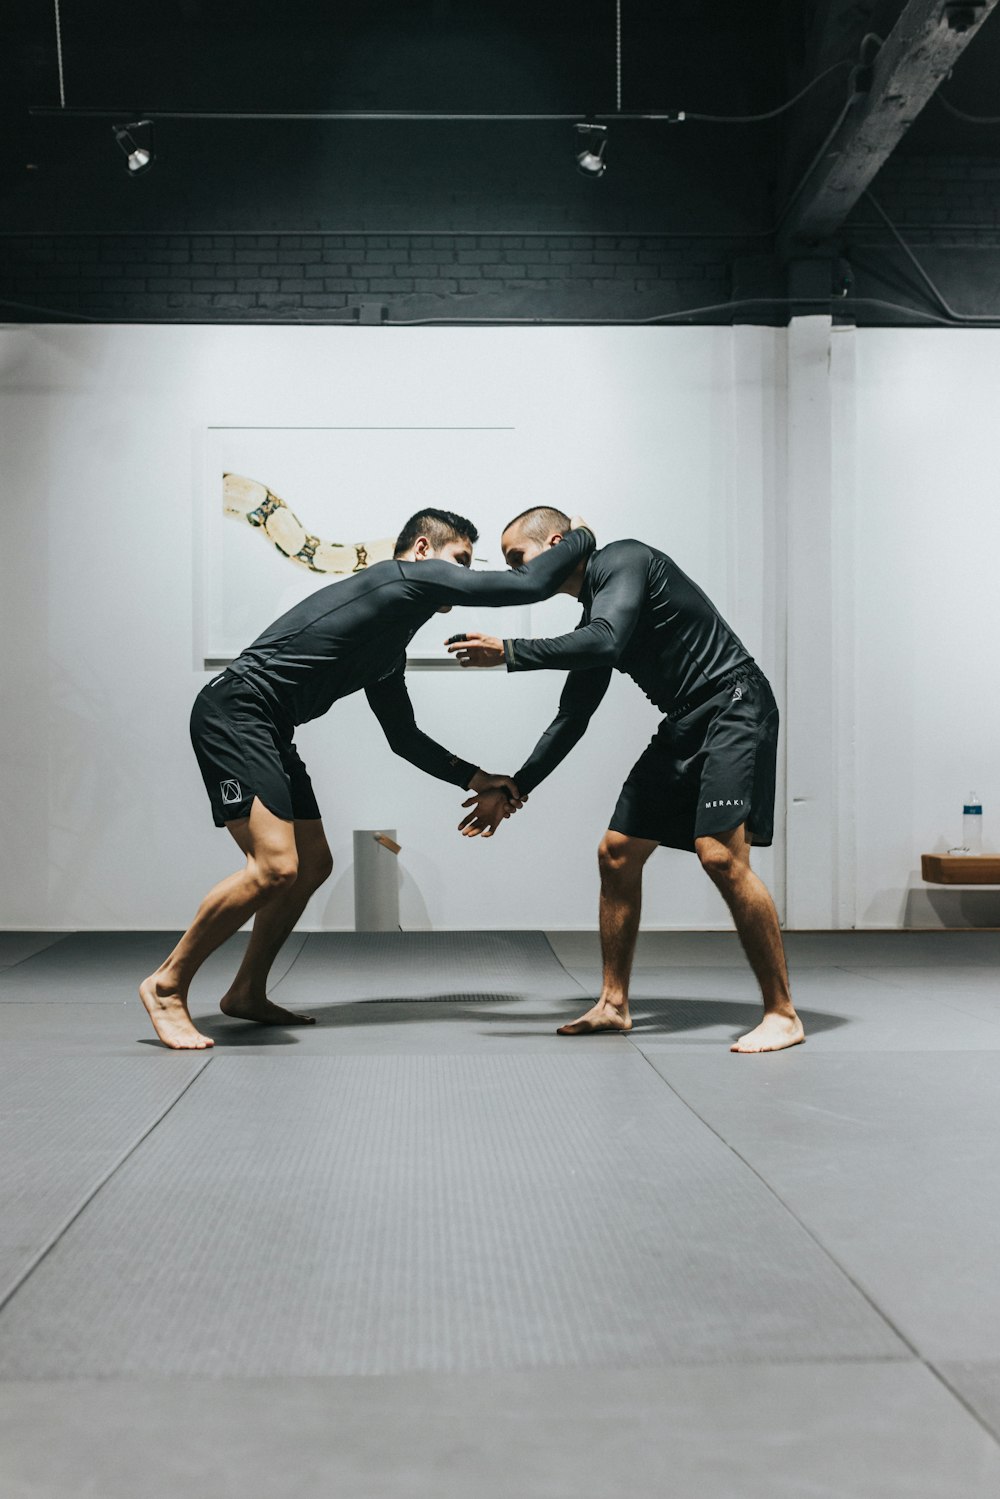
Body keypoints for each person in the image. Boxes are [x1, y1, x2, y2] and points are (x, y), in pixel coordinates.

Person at [140, 508, 595, 1050]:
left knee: (311, 865)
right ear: (423, 550)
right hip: (235, 710)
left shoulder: (387, 645)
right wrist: (585, 535)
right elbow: (529, 584)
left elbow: (404, 738)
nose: (467, 575)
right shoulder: (401, 577)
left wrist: (477, 778)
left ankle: (246, 992)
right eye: (462, 561)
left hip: (269, 726)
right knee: (274, 868)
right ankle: (167, 984)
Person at [448, 506, 803, 1055]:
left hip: (733, 701)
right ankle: (613, 1006)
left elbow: (607, 642)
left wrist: (510, 652)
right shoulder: (597, 612)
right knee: (616, 853)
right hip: (685, 718)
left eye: (519, 557)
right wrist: (514, 787)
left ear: (558, 542)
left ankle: (782, 1014)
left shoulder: (624, 560)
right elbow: (573, 716)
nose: (518, 571)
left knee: (720, 856)